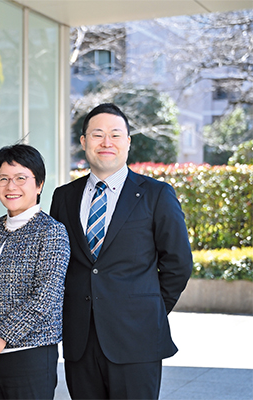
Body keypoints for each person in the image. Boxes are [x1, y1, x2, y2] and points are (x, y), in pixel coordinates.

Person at [49, 103, 193, 399]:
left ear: (128, 142)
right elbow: (60, 264)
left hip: (137, 337)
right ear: (83, 142)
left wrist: (148, 308)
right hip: (80, 341)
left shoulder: (156, 194)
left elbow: (178, 263)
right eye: (97, 134)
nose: (106, 142)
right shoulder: (64, 197)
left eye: (115, 135)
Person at [0, 143, 70, 399]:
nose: (11, 186)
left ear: (39, 184)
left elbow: (45, 296)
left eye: (21, 178)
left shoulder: (52, 231)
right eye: (3, 179)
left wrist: (1, 337)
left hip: (30, 355)